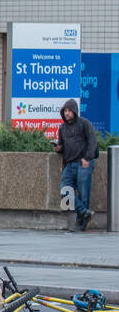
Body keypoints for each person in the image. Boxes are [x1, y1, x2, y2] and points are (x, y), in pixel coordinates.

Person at [55, 98, 98, 231]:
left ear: (74, 111)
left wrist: (87, 158)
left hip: (84, 161)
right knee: (64, 190)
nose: (67, 113)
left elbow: (93, 142)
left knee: (83, 191)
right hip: (70, 163)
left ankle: (81, 222)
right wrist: (58, 148)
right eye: (65, 111)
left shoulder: (84, 123)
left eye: (69, 110)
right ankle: (85, 213)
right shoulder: (62, 128)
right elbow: (62, 146)